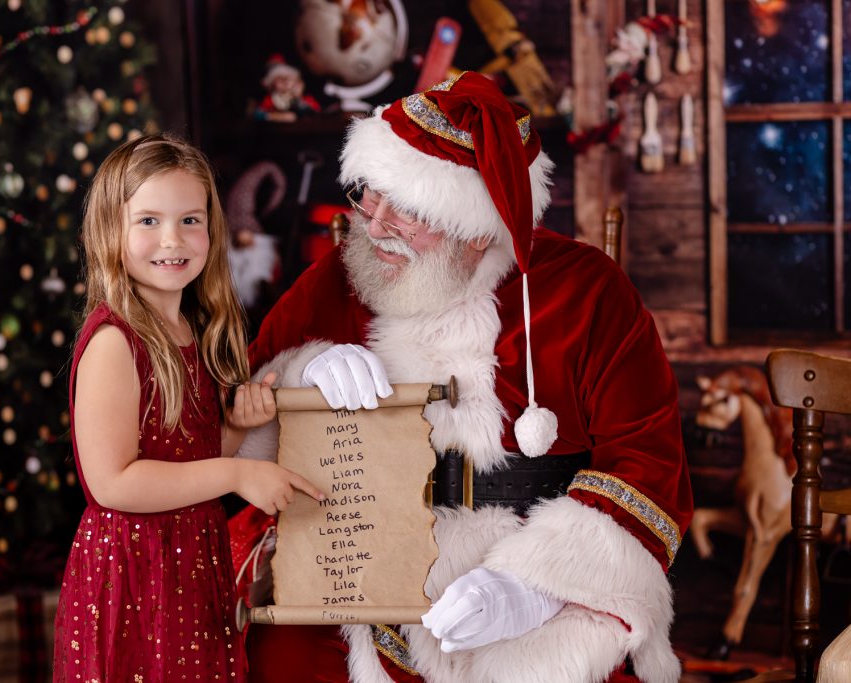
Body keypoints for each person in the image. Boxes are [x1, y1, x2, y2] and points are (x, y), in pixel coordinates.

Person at [238, 73, 693, 682]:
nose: (376, 225)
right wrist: (298, 375)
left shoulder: (588, 293)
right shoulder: (339, 279)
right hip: (364, 567)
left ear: (479, 230)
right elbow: (239, 420)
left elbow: (647, 460)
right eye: (371, 196)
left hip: (538, 582)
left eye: (409, 210)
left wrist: (536, 587)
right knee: (279, 661)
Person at [52, 134, 324, 682]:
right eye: (148, 221)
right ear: (111, 231)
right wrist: (238, 472)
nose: (172, 239)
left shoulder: (191, 330)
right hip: (134, 578)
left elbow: (183, 461)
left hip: (191, 566)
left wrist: (234, 430)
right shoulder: (114, 342)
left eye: (190, 220)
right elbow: (113, 483)